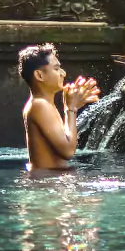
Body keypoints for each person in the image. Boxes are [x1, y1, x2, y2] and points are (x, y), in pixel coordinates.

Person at [19, 44, 100, 172]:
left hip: (50, 180)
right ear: (39, 75)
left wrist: (71, 107)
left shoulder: (43, 104)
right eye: (56, 69)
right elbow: (67, 151)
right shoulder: (40, 105)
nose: (63, 73)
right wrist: (70, 110)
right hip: (48, 183)